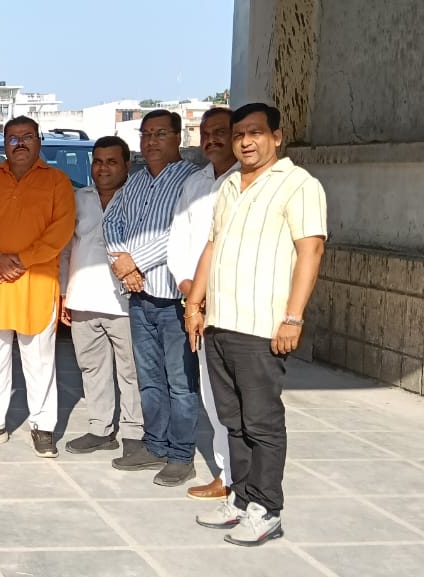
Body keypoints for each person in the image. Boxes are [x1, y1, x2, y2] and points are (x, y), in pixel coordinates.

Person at [187, 102, 326, 546]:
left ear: (276, 137)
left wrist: (293, 317)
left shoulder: (299, 185)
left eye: (256, 133)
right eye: (239, 134)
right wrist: (194, 304)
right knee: (233, 420)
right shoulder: (229, 186)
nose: (246, 141)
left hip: (262, 326)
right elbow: (212, 246)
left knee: (262, 422)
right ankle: (241, 498)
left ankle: (267, 509)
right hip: (220, 323)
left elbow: (311, 251)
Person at [0, 116, 74, 457]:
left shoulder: (57, 182)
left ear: (39, 141)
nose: (20, 143)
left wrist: (21, 260)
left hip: (35, 283)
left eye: (27, 137)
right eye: (13, 138)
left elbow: (60, 231)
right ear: (4, 143)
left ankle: (43, 426)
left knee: (39, 359)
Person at [103, 110, 202, 486]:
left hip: (173, 298)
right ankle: (155, 444)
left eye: (160, 133)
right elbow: (111, 221)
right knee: (148, 379)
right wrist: (123, 266)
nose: (151, 141)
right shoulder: (136, 181)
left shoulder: (191, 180)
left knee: (180, 381)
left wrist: (135, 261)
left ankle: (181, 454)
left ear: (178, 137)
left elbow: (181, 232)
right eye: (146, 134)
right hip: (139, 295)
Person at [168, 108, 240, 500]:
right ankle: (227, 474)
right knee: (212, 394)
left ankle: (243, 477)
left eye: (220, 132)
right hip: (197, 303)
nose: (211, 139)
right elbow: (179, 239)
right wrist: (189, 289)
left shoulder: (247, 181)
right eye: (206, 133)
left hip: (233, 303)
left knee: (238, 396)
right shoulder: (195, 183)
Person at [59, 137, 142, 456]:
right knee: (92, 369)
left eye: (111, 162)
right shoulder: (78, 199)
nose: (103, 168)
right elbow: (66, 250)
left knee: (131, 370)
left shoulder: (137, 198)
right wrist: (64, 292)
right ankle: (100, 429)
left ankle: (134, 432)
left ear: (127, 165)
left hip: (126, 301)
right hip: (83, 298)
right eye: (98, 162)